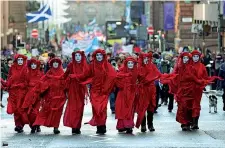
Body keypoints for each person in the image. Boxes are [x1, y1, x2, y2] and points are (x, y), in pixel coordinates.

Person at [71, 49, 116, 134]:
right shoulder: (91, 65)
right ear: (95, 56)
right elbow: (85, 75)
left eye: (100, 55)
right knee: (96, 109)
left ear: (103, 56)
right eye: (97, 55)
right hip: (94, 91)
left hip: (103, 91)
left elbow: (112, 76)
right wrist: (75, 76)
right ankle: (99, 126)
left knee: (102, 109)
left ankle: (102, 126)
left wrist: (106, 87)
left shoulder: (107, 65)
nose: (99, 57)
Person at [32, 58, 67, 134]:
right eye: (53, 62)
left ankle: (56, 127)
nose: (55, 64)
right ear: (51, 64)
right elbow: (42, 81)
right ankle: (37, 124)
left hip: (60, 97)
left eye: (56, 62)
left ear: (59, 64)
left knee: (57, 113)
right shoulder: (49, 72)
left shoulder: (62, 73)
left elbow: (66, 84)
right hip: (50, 97)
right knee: (45, 111)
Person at [62, 51, 89, 134]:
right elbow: (65, 75)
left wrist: (75, 76)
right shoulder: (71, 65)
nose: (77, 57)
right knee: (73, 107)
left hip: (81, 88)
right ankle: (73, 126)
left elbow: (86, 75)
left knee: (80, 108)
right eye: (76, 55)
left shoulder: (85, 65)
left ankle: (77, 126)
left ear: (82, 56)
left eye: (79, 55)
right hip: (72, 89)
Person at [136, 53, 161, 133]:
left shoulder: (152, 66)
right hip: (142, 89)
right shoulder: (138, 67)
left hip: (151, 89)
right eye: (144, 58)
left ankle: (150, 124)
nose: (146, 59)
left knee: (150, 107)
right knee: (142, 107)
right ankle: (143, 125)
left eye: (147, 58)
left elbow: (157, 74)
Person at [115, 57, 138, 134]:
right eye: (129, 63)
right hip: (122, 94)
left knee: (129, 109)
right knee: (122, 109)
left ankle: (129, 125)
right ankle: (121, 126)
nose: (130, 65)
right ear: (126, 64)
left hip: (131, 93)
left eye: (132, 63)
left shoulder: (136, 71)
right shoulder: (121, 71)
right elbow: (117, 81)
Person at [6, 54, 28, 133]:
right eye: (18, 60)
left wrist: (20, 85)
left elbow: (27, 81)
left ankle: (21, 124)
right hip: (13, 92)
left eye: (21, 60)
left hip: (22, 92)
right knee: (15, 109)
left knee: (21, 109)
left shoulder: (26, 68)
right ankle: (18, 125)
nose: (20, 61)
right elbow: (9, 78)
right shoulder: (12, 68)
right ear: (16, 60)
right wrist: (8, 85)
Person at [22, 58, 44, 133]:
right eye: (32, 64)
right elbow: (25, 84)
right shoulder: (27, 73)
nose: (33, 66)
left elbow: (43, 84)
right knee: (29, 111)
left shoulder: (40, 73)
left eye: (35, 64)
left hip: (37, 95)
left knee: (35, 111)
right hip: (29, 95)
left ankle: (36, 125)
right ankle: (33, 125)